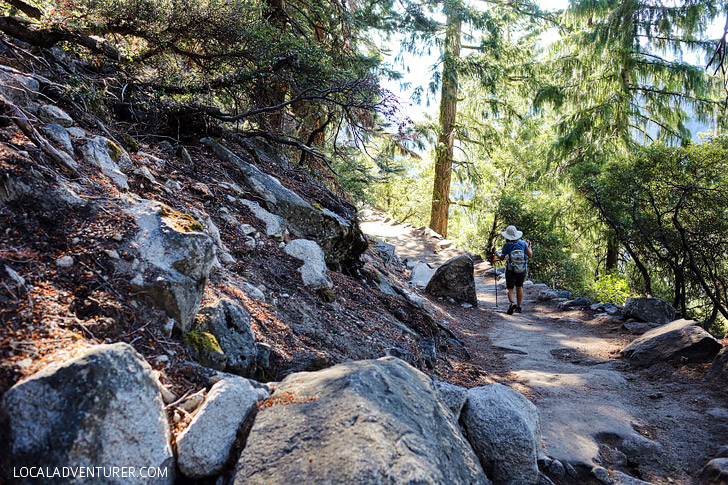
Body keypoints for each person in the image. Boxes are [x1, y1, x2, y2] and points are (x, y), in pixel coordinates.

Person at [496, 225, 533, 314]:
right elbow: (530, 255)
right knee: (519, 287)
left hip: (510, 269)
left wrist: (496, 253)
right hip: (522, 269)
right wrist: (529, 245)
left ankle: (512, 303)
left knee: (510, 288)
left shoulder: (506, 245)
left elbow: (501, 258)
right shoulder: (524, 243)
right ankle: (519, 307)